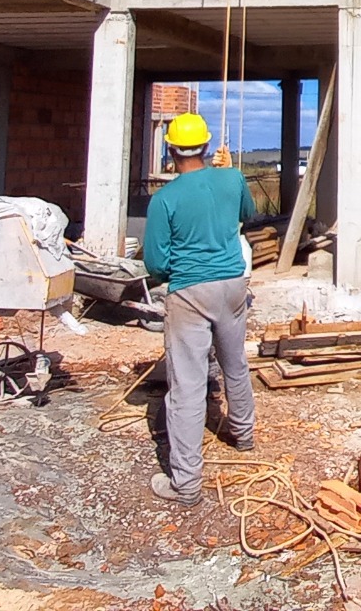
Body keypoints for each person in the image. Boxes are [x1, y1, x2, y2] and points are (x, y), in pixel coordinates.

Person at [143, 112, 258, 505]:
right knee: (234, 364)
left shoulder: (165, 199)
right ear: (207, 147)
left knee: (188, 386)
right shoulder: (233, 178)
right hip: (232, 284)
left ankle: (186, 484)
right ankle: (244, 436)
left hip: (191, 291)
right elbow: (249, 216)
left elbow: (156, 263)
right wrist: (225, 179)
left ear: (170, 150)